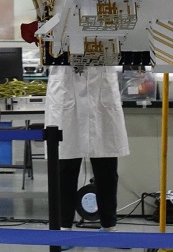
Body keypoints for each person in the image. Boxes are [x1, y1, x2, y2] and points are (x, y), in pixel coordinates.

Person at [44, 63, 129, 231]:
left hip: (101, 87)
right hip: (65, 87)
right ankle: (63, 228)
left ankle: (109, 226)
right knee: (65, 167)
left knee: (106, 168)